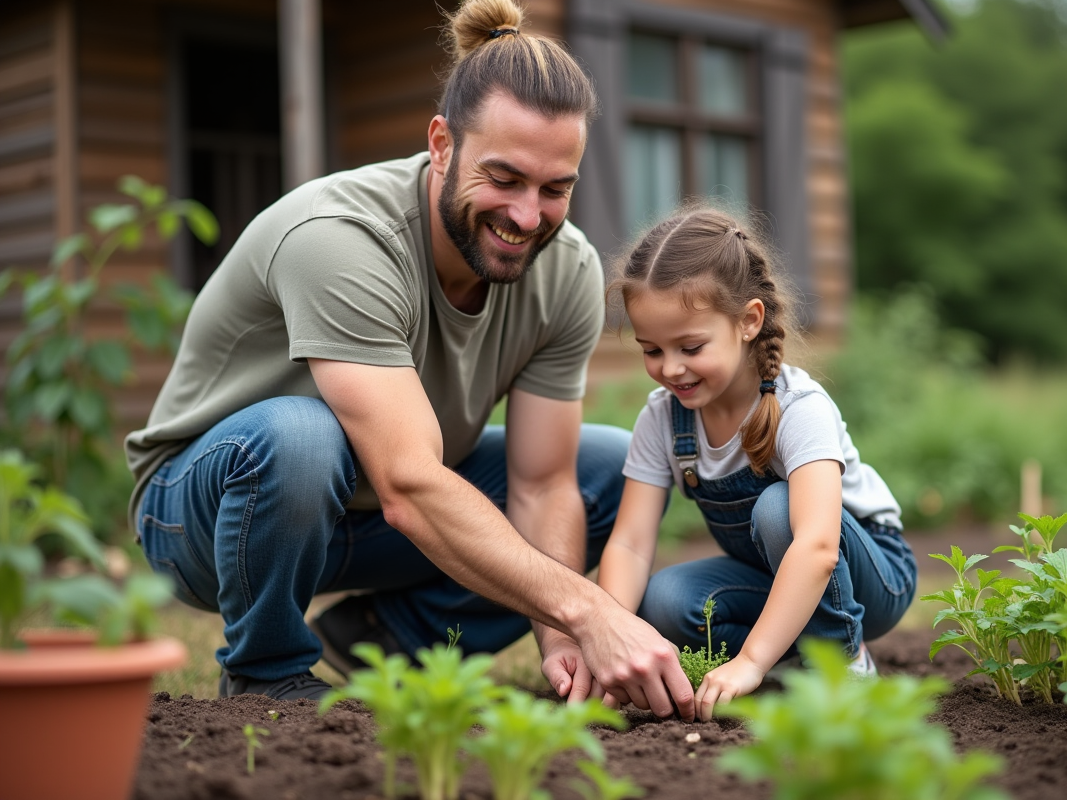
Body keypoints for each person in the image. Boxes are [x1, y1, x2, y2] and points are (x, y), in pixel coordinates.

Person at [124, 0, 695, 717]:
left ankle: (387, 641)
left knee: (606, 469)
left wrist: (560, 638)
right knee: (303, 437)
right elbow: (409, 482)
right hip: (207, 513)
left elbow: (544, 486)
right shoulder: (341, 238)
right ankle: (266, 672)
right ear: (442, 144)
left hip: (366, 516)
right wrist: (591, 610)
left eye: (556, 190)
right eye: (505, 178)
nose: (527, 217)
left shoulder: (566, 271)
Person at [597, 206, 918, 721]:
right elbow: (631, 543)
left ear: (748, 322)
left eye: (691, 346)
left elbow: (816, 546)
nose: (670, 368)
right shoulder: (663, 418)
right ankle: (790, 657)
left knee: (777, 506)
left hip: (871, 574)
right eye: (651, 349)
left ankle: (844, 664)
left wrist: (747, 660)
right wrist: (607, 637)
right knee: (667, 601)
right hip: (768, 574)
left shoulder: (799, 408)